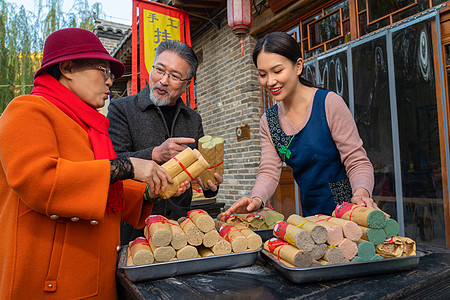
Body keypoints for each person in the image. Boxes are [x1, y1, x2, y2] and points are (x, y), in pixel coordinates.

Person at [0, 28, 189, 299]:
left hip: (95, 275)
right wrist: (129, 166)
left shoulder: (90, 127)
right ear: (67, 68)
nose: (110, 82)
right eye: (104, 71)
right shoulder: (27, 109)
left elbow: (104, 190)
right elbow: (39, 181)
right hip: (50, 281)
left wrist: (151, 189)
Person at [225, 32, 380, 217]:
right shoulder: (269, 121)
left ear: (298, 66)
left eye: (277, 71)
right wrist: (256, 199)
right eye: (262, 74)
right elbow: (268, 170)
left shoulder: (328, 104)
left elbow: (357, 161)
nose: (270, 81)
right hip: (312, 216)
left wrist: (361, 194)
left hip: (351, 211)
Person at [108, 40, 223, 244]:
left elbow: (197, 171)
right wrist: (155, 154)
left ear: (187, 83)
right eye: (159, 70)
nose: (163, 80)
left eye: (175, 76)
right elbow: (112, 163)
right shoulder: (122, 109)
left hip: (179, 226)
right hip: (134, 226)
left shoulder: (192, 119)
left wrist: (209, 184)